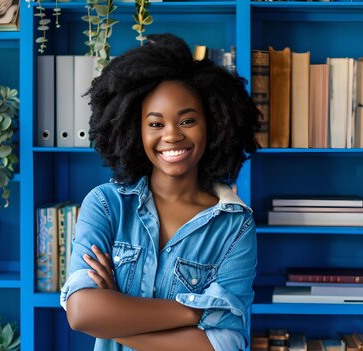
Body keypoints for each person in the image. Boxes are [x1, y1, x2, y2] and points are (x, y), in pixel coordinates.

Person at [59, 33, 261, 351]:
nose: (172, 135)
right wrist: (194, 312)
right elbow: (82, 313)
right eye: (155, 124)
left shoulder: (235, 227)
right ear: (133, 129)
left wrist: (116, 317)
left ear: (215, 125)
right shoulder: (106, 205)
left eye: (188, 120)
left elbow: (224, 344)